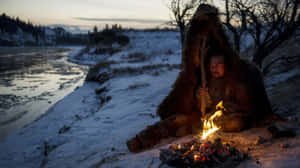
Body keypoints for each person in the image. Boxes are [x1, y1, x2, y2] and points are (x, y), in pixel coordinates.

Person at [126, 51, 257, 153]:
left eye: (218, 65)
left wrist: (220, 111)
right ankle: (143, 139)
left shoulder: (235, 82)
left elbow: (243, 108)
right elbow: (199, 107)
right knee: (175, 120)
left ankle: (186, 130)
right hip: (202, 118)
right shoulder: (208, 80)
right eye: (212, 66)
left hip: (223, 119)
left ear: (225, 65)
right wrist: (200, 97)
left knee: (235, 123)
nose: (214, 69)